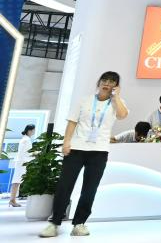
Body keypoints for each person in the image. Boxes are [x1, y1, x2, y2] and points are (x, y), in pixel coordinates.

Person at [40, 71, 130, 238]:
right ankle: (54, 222)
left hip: (99, 151)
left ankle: (79, 223)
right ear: (99, 82)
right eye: (104, 80)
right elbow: (72, 122)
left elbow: (122, 115)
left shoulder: (117, 103)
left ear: (116, 86)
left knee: (90, 189)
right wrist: (66, 142)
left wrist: (116, 96)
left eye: (112, 82)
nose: (107, 84)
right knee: (64, 186)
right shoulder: (84, 100)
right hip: (76, 148)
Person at [9, 124, 36, 207]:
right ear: (29, 131)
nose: (34, 132)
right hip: (22, 163)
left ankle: (12, 200)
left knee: (17, 181)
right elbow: (26, 153)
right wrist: (35, 154)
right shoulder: (26, 140)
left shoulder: (25, 139)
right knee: (16, 181)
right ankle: (12, 200)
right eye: (33, 130)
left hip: (22, 162)